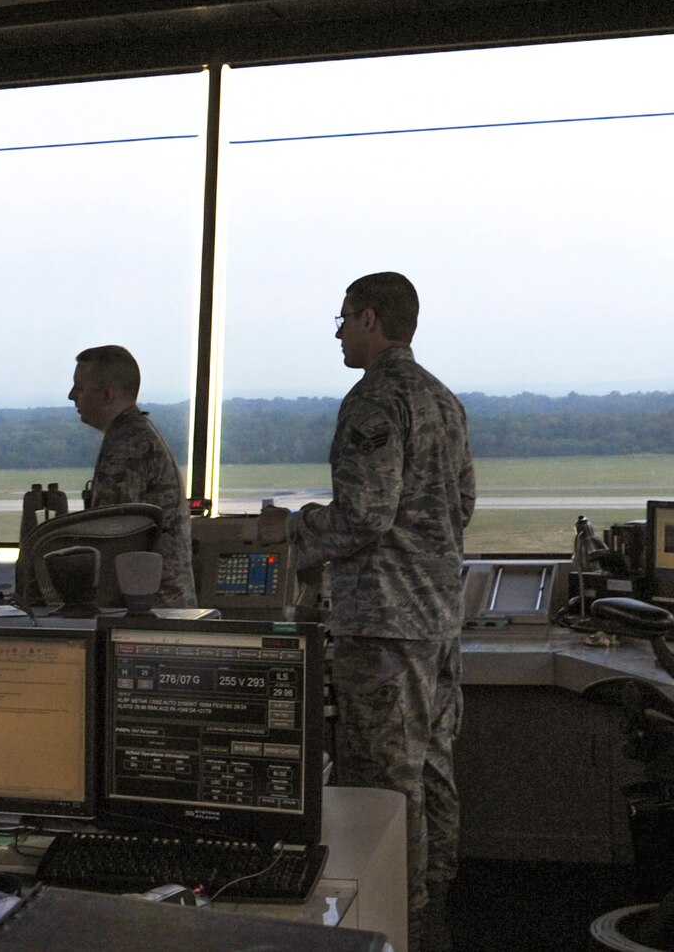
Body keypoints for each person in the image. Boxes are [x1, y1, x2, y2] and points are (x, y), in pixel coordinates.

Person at [258, 272, 473, 945]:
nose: (338, 331)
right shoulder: (443, 399)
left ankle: (397, 918)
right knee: (431, 761)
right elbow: (460, 504)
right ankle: (437, 897)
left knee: (383, 783)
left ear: (372, 319)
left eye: (345, 318)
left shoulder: (373, 401)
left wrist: (293, 530)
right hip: (436, 615)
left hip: (384, 623)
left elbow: (366, 516)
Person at [69, 345, 197, 607]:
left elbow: (110, 539)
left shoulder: (128, 445)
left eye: (79, 388)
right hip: (161, 605)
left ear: (107, 394)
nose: (71, 396)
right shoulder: (134, 434)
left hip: (148, 610)